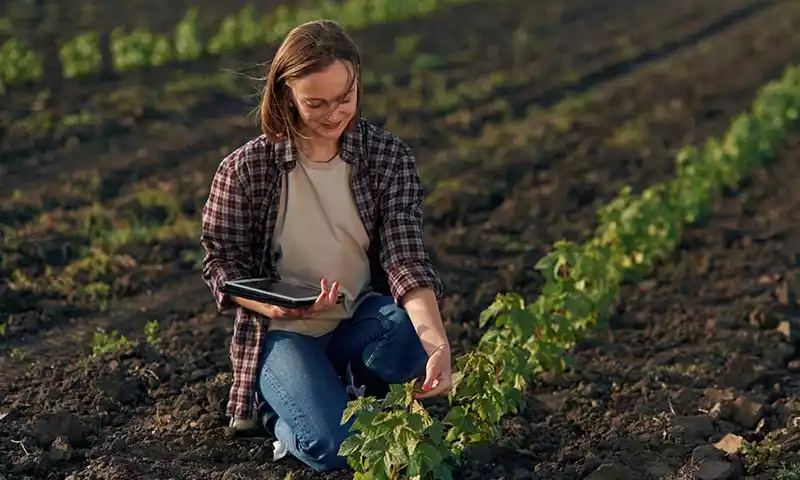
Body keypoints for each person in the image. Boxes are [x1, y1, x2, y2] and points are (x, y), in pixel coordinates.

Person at [200, 19, 453, 472]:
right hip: (283, 337)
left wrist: (437, 345)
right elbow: (220, 262)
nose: (336, 114)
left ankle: (346, 386)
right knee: (339, 450)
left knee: (411, 333)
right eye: (316, 103)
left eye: (346, 98)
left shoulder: (386, 157)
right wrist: (270, 307)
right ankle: (274, 412)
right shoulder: (245, 169)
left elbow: (405, 257)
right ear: (285, 96)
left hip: (356, 321)